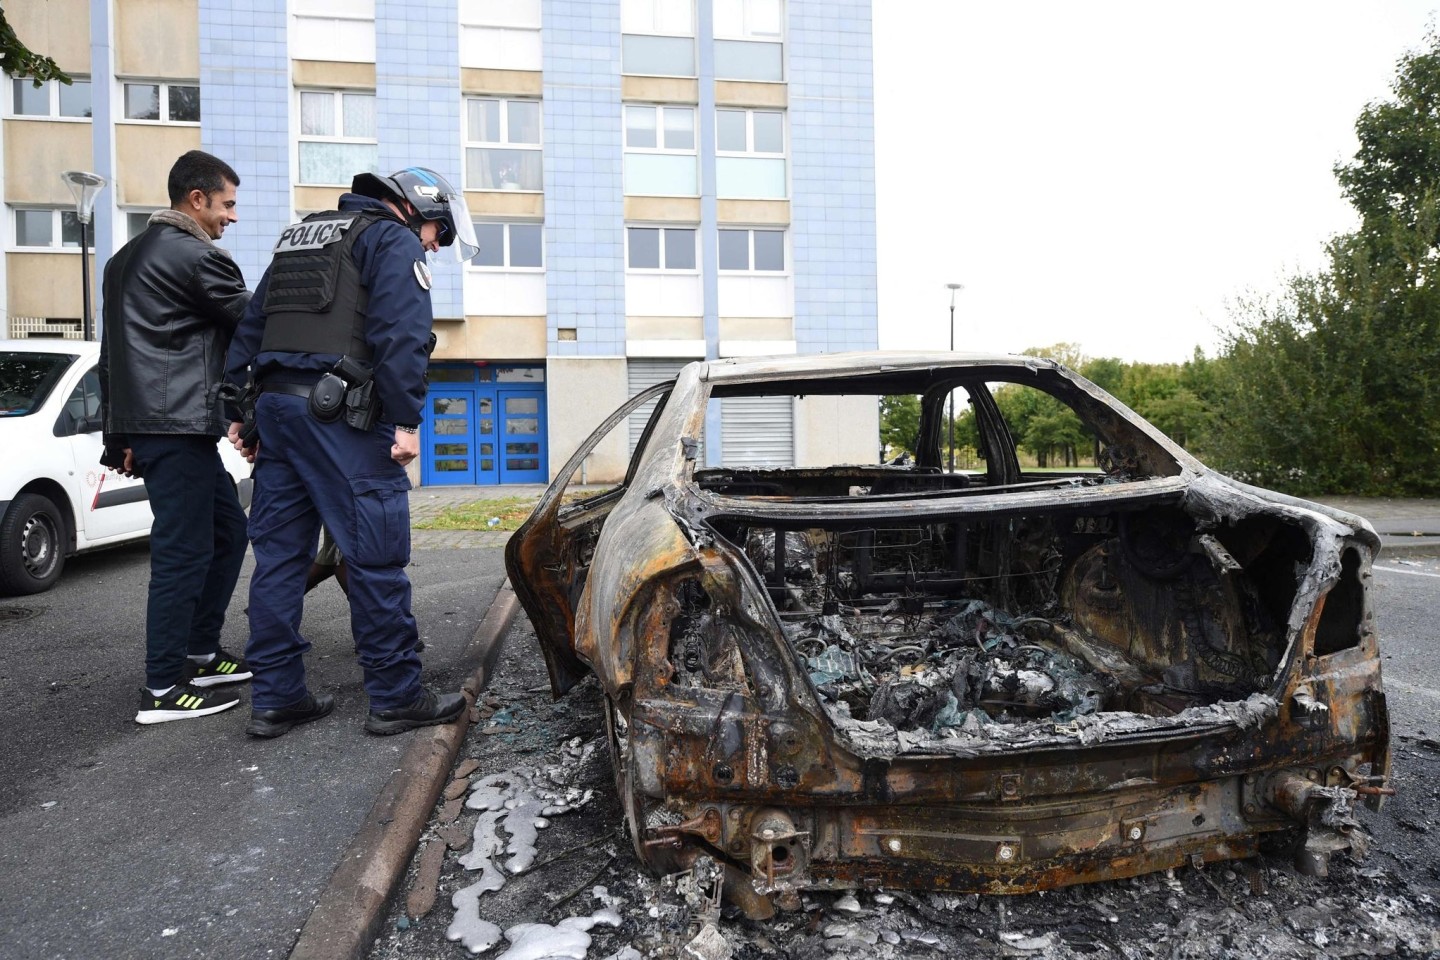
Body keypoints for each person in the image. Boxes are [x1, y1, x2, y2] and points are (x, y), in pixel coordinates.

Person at [224, 167, 480, 738]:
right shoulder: (390, 240)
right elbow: (402, 336)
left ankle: (275, 698)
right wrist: (406, 422)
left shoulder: (302, 236)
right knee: (375, 552)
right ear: (413, 209)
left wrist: (239, 414)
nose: (434, 244)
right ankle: (395, 696)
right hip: (341, 418)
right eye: (438, 231)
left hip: (278, 413)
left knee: (280, 562)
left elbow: (250, 328)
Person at [99, 150, 254, 724]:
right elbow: (254, 325)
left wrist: (118, 436)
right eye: (227, 204)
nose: (231, 217)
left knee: (226, 529)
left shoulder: (123, 260)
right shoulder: (195, 257)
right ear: (197, 199)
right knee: (182, 551)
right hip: (179, 423)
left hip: (162, 424)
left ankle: (200, 650)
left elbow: (111, 352)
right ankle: (162, 688)